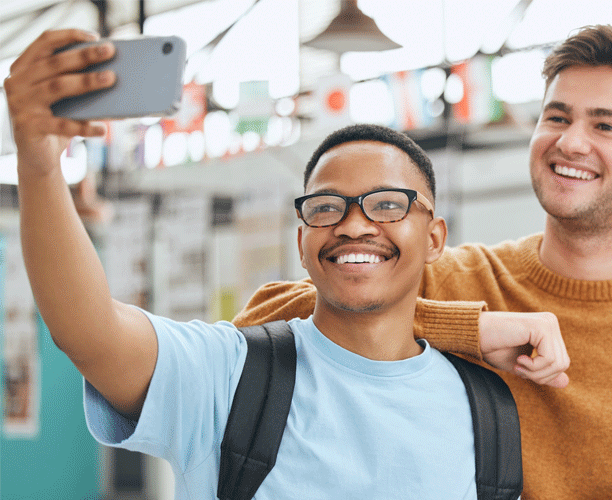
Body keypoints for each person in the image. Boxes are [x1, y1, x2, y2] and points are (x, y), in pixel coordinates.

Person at [236, 25, 612, 499]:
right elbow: (257, 325)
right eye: (556, 117)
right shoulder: (452, 282)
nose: (570, 142)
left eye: (605, 125)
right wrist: (466, 326)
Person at [4, 29, 556, 499]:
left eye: (388, 204)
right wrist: (39, 161)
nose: (355, 224)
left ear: (434, 237)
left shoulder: (488, 410)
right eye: (327, 207)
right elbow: (87, 328)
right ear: (303, 242)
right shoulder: (231, 375)